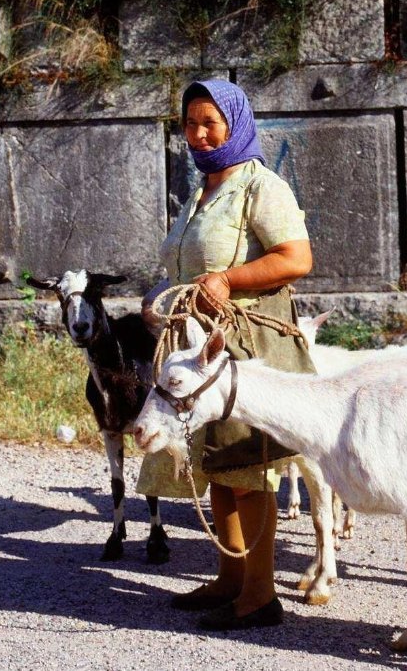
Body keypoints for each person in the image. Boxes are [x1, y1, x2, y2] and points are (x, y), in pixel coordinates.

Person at [138, 79, 316, 630]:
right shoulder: (202, 192)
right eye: (190, 122)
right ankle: (231, 577)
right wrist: (160, 293)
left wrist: (229, 279)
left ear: (235, 123)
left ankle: (260, 597)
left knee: (247, 466)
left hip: (244, 347)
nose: (198, 132)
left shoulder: (261, 186)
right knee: (216, 463)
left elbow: (296, 258)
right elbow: (187, 268)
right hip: (200, 348)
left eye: (209, 122)